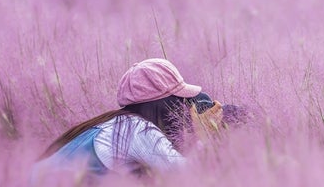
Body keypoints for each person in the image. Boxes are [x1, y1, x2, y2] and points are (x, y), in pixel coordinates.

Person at [33, 58, 227, 180]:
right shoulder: (138, 130)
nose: (184, 107)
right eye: (180, 100)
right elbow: (188, 177)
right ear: (163, 102)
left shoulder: (114, 124)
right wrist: (205, 135)